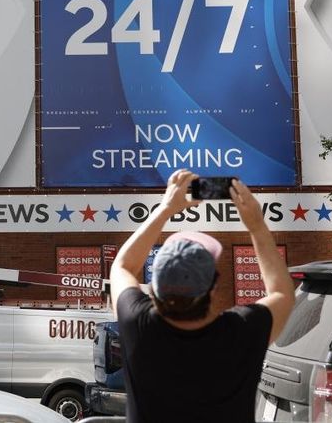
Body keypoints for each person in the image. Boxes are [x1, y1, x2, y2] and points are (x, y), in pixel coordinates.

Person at [108, 169, 295, 423]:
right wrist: (256, 224)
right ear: (214, 287)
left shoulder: (137, 326)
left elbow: (123, 266)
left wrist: (165, 209)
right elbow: (282, 292)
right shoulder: (242, 332)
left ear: (153, 288)